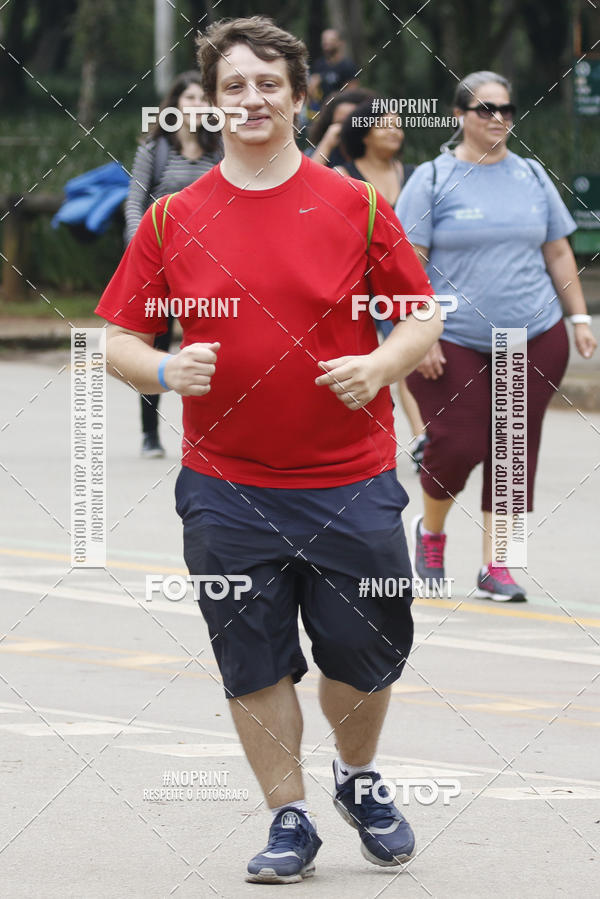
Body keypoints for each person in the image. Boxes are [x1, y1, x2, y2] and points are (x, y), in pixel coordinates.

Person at [96, 15, 442, 884]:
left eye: (268, 84)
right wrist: (169, 369)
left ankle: (357, 777)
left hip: (351, 479)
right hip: (226, 487)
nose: (252, 99)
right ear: (213, 104)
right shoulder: (176, 217)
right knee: (250, 661)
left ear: (297, 95)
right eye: (235, 87)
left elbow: (424, 312)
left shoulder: (355, 203)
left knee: (366, 653)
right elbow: (115, 342)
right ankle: (288, 817)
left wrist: (382, 360)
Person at [396, 70, 597, 601]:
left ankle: (498, 566)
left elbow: (557, 250)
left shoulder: (530, 175)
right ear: (460, 115)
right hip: (451, 336)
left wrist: (578, 318)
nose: (499, 119)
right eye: (486, 109)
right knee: (457, 444)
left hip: (532, 334)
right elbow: (408, 263)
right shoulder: (433, 179)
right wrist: (422, 333)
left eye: (506, 109)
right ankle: (431, 531)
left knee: (513, 449)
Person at [125, 70, 222, 458]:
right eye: (190, 98)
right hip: (161, 264)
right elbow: (134, 202)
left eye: (203, 99)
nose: (197, 105)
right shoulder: (156, 149)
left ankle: (214, 432)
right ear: (175, 106)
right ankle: (150, 433)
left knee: (213, 346)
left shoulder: (222, 150)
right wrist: (139, 252)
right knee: (159, 346)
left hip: (210, 265)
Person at [338, 99, 427, 470]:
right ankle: (370, 435)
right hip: (357, 286)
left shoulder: (414, 174)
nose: (394, 131)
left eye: (398, 125)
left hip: (403, 281)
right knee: (367, 355)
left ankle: (422, 436)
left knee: (405, 356)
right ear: (364, 132)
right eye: (384, 125)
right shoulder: (343, 174)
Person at [307, 87, 376, 167]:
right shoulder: (318, 152)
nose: (347, 128)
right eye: (340, 123)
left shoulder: (378, 152)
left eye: (352, 122)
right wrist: (327, 143)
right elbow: (308, 177)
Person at [307, 28, 358, 115]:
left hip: (340, 112)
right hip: (320, 112)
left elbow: (352, 94)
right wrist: (312, 87)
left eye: (331, 40)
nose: (326, 42)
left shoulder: (347, 66)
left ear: (340, 43)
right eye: (324, 39)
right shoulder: (319, 65)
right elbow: (311, 95)